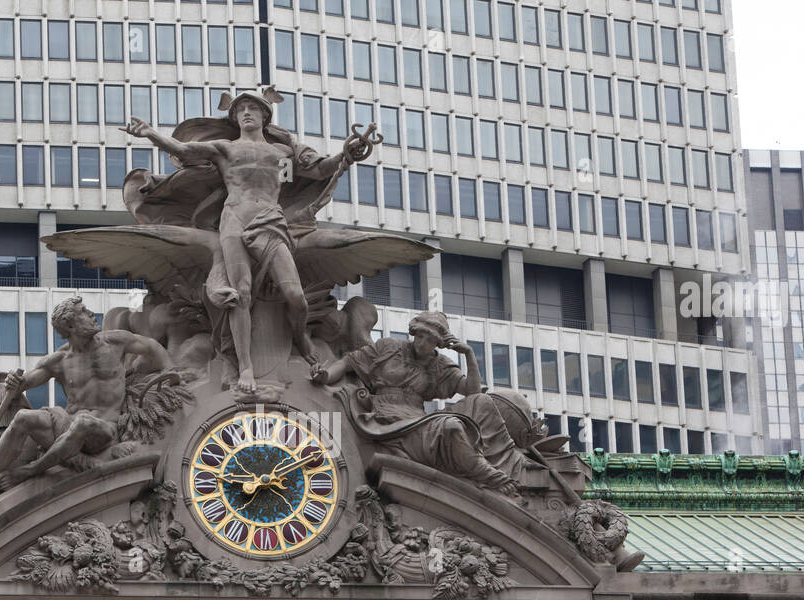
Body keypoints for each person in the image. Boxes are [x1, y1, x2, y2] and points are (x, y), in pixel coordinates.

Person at [122, 88, 371, 393]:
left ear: (265, 116)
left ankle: (301, 338)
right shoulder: (225, 149)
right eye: (241, 110)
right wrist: (151, 134)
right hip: (234, 220)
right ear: (236, 117)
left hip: (270, 221)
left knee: (296, 297)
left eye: (253, 108)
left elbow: (319, 170)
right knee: (240, 293)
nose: (246, 113)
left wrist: (345, 155)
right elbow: (185, 152)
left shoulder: (283, 153)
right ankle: (245, 367)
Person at [0, 297, 170, 512]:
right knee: (24, 417)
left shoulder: (116, 342)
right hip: (67, 425)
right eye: (84, 312)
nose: (91, 314)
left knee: (82, 422)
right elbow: (26, 383)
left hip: (103, 430)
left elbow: (152, 347)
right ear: (70, 326)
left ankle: (30, 471)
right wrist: (15, 381)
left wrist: (171, 370)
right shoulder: (59, 360)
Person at [310, 311, 523, 494]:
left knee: (467, 413)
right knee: (451, 426)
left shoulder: (440, 365)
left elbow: (472, 392)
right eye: (420, 336)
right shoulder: (389, 347)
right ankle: (484, 472)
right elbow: (348, 363)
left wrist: (468, 354)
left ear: (439, 343)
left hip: (417, 418)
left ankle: (493, 465)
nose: (423, 343)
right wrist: (325, 375)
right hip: (385, 415)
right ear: (414, 333)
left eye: (430, 340)